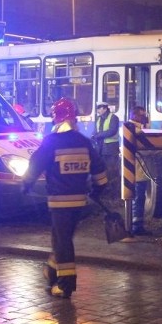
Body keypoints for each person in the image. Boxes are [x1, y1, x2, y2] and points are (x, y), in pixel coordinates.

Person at [22, 98, 108, 299]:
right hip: (79, 203)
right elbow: (100, 171)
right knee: (60, 239)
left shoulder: (51, 142)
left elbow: (35, 164)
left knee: (63, 242)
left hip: (59, 203)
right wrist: (97, 191)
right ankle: (52, 272)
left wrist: (26, 183)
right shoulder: (84, 142)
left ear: (56, 118)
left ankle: (65, 285)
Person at [127, 105, 149, 235]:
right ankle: (137, 226)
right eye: (141, 115)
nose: (144, 117)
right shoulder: (136, 130)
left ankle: (134, 224)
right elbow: (148, 147)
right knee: (139, 197)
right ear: (134, 116)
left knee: (136, 196)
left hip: (133, 169)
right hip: (137, 170)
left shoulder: (129, 128)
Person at [91, 101, 119, 187]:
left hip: (111, 148)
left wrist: (98, 135)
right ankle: (105, 188)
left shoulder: (113, 118)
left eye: (99, 108)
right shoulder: (99, 119)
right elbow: (95, 131)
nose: (98, 110)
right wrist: (93, 136)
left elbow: (112, 131)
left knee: (112, 169)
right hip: (101, 148)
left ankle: (113, 189)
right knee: (103, 169)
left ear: (105, 108)